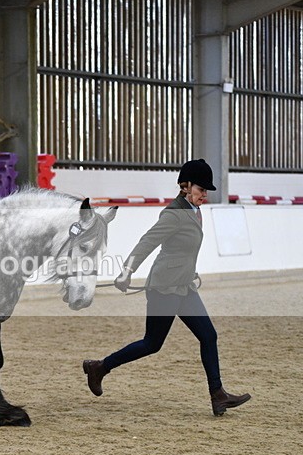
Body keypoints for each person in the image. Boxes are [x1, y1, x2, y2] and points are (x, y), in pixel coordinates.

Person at [82, 159, 251, 416]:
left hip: (183, 287)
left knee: (208, 336)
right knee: (152, 343)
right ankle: (100, 367)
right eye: (201, 189)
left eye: (206, 191)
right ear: (186, 186)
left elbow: (180, 251)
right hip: (163, 288)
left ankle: (218, 395)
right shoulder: (174, 214)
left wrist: (189, 272)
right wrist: (127, 271)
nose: (205, 195)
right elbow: (147, 242)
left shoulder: (194, 211)